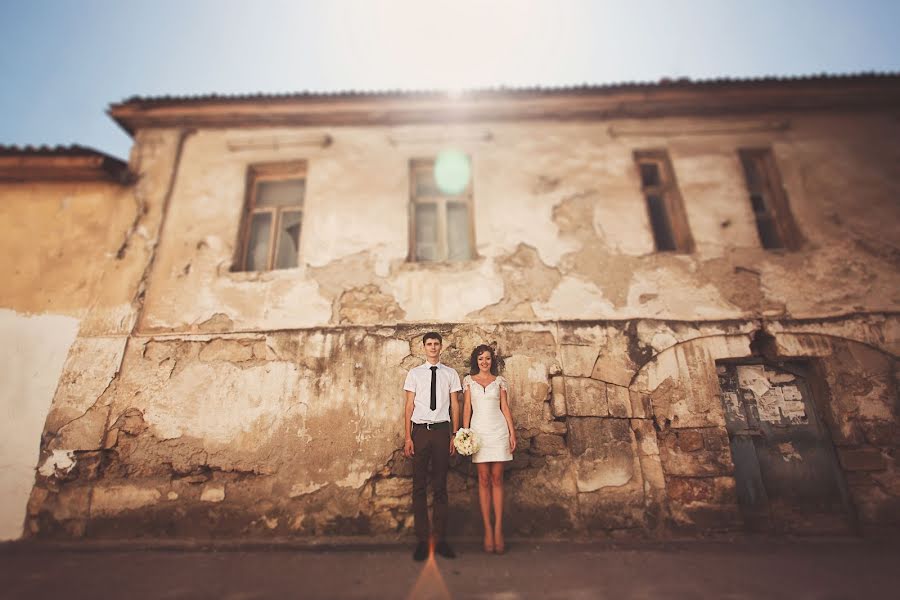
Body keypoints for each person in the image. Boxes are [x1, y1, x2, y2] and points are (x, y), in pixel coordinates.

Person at [403, 331, 461, 561]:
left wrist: (454, 435)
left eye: (437, 344)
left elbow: (455, 406)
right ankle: (422, 540)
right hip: (419, 432)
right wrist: (408, 437)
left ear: (441, 347)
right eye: (429, 344)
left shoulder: (450, 373)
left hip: (440, 431)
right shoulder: (414, 373)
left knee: (440, 486)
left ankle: (440, 539)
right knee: (418, 486)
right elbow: (408, 407)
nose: (433, 347)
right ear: (423, 347)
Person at [462, 344, 516, 554]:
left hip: (498, 431)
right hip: (479, 433)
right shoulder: (468, 381)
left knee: (497, 479)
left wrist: (512, 433)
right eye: (480, 359)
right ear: (476, 361)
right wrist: (464, 433)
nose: (484, 362)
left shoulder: (499, 382)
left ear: (492, 361)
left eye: (487, 359)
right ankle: (487, 530)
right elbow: (466, 407)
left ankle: (498, 530)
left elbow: (505, 407)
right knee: (483, 479)